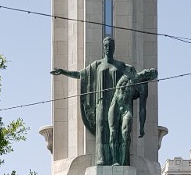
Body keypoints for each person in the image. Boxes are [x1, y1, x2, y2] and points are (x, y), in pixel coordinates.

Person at [51, 36, 157, 166]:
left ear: (114, 48)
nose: (108, 48)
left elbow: (134, 79)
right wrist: (63, 72)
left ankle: (117, 159)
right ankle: (101, 158)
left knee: (117, 130)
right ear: (103, 47)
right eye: (106, 46)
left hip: (116, 102)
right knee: (101, 128)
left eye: (110, 46)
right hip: (101, 101)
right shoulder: (97, 65)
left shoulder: (121, 66)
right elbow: (80, 75)